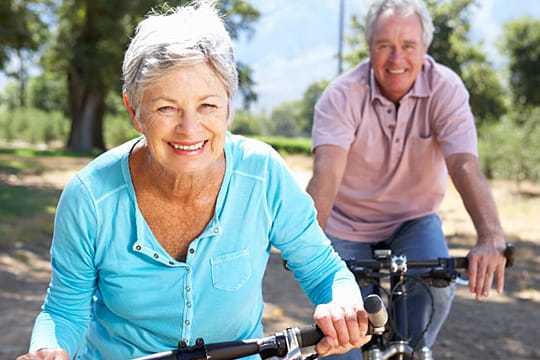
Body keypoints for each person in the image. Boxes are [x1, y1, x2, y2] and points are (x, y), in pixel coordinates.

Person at [17, 2, 372, 359]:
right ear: (134, 111)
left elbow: (325, 272)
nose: (189, 129)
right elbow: (64, 310)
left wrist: (341, 301)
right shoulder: (89, 197)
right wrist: (50, 349)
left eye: (208, 106)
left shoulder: (263, 174)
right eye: (166, 108)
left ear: (229, 106)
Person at [306, 0, 507, 356]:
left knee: (436, 289)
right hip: (346, 225)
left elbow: (463, 164)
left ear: (425, 47)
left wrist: (490, 236)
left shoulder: (446, 88)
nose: (396, 59)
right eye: (384, 46)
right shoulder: (341, 95)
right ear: (369, 47)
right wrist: (305, 246)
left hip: (413, 220)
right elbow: (327, 173)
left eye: (408, 46)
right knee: (343, 335)